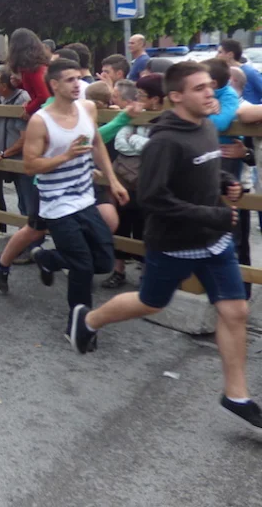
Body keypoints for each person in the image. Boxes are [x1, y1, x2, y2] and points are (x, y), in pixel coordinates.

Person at [67, 63, 262, 430]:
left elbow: (202, 168)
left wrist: (224, 182)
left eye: (209, 86)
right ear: (176, 96)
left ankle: (236, 395)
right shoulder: (164, 140)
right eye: (199, 88)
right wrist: (213, 215)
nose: (209, 93)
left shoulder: (206, 126)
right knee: (151, 302)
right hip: (173, 244)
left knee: (235, 311)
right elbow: (153, 197)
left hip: (214, 242)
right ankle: (89, 320)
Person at [17, 59, 128, 335]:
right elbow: (30, 166)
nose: (77, 84)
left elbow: (97, 143)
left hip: (86, 197)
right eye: (70, 80)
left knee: (103, 261)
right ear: (54, 85)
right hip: (57, 203)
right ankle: (78, 326)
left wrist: (113, 180)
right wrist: (65, 156)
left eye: (78, 78)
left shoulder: (87, 108)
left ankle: (49, 259)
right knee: (82, 266)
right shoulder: (40, 121)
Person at [103, 73, 163, 289]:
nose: (137, 98)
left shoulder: (166, 118)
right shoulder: (137, 115)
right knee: (121, 221)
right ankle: (118, 270)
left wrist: (135, 140)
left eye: (142, 94)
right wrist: (142, 144)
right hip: (126, 179)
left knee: (145, 226)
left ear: (156, 98)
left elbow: (156, 148)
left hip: (149, 181)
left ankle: (146, 273)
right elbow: (120, 142)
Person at [0, 65, 37, 218]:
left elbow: (26, 137)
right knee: (22, 203)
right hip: (13, 160)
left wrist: (3, 153)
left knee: (29, 204)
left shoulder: (22, 100)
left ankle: (32, 231)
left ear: (4, 86)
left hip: (23, 161)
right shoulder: (2, 98)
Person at [7, 27, 50, 120]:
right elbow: (36, 90)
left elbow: (44, 96)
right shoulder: (32, 68)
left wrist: (28, 110)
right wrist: (20, 84)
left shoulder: (35, 70)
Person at [219, 39, 262, 105]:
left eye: (220, 52)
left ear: (230, 54)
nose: (217, 55)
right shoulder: (222, 72)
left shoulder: (249, 72)